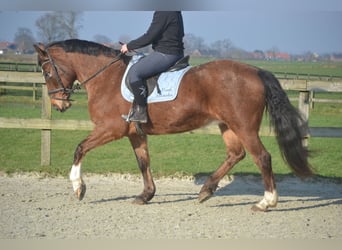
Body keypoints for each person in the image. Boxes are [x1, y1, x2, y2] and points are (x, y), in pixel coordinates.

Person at [121, 11, 185, 123]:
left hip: (166, 54)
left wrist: (129, 46)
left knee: (134, 72)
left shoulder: (163, 12)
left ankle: (140, 112)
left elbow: (150, 36)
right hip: (175, 52)